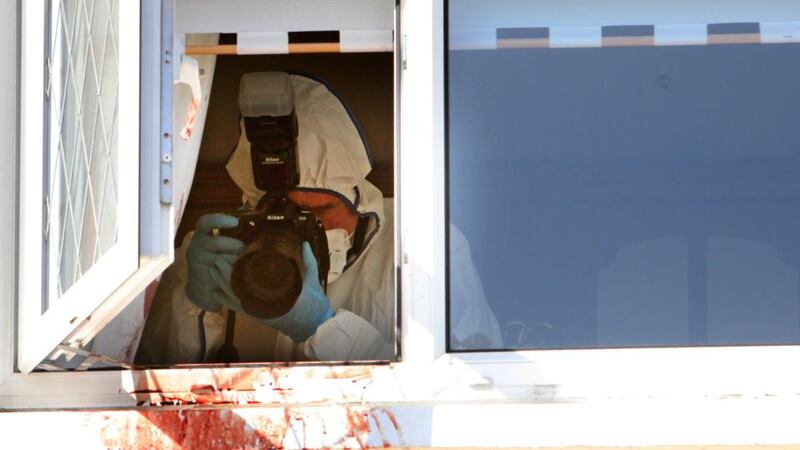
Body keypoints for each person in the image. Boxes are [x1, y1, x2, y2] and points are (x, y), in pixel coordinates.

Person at [135, 74, 501, 364]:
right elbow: (147, 382)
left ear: (357, 197)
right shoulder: (216, 251)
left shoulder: (424, 245)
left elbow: (462, 382)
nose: (307, 227)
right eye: (288, 211)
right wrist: (194, 304)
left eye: (323, 210)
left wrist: (320, 327)